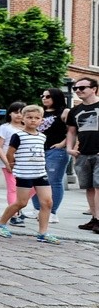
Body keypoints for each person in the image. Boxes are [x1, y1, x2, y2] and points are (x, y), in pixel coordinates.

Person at [0, 105, 60, 244]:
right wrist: (11, 166)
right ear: (23, 119)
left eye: (37, 118)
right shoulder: (18, 136)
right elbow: (10, 153)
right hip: (24, 174)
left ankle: (43, 233)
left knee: (47, 202)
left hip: (40, 173)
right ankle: (0, 223)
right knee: (21, 202)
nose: (33, 120)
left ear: (41, 120)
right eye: (29, 117)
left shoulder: (42, 137)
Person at [23, 88, 70, 223]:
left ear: (56, 97)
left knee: (53, 181)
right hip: (38, 151)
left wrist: (62, 144)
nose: (44, 98)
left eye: (48, 96)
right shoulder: (40, 113)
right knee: (35, 179)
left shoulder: (64, 112)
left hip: (55, 151)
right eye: (42, 96)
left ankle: (52, 212)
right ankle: (37, 209)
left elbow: (72, 131)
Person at [66, 77, 99, 234]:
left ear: (94, 89)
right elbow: (71, 132)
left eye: (82, 88)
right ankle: (94, 218)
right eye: (75, 89)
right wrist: (69, 148)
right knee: (89, 187)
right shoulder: (75, 111)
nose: (78, 91)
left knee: (98, 186)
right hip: (83, 153)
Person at [0, 102, 26, 227]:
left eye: (21, 112)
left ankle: (17, 207)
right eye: (16, 112)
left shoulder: (27, 128)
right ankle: (14, 215)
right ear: (10, 114)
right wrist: (6, 162)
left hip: (26, 164)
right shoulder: (5, 127)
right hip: (10, 162)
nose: (18, 115)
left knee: (31, 188)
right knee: (13, 188)